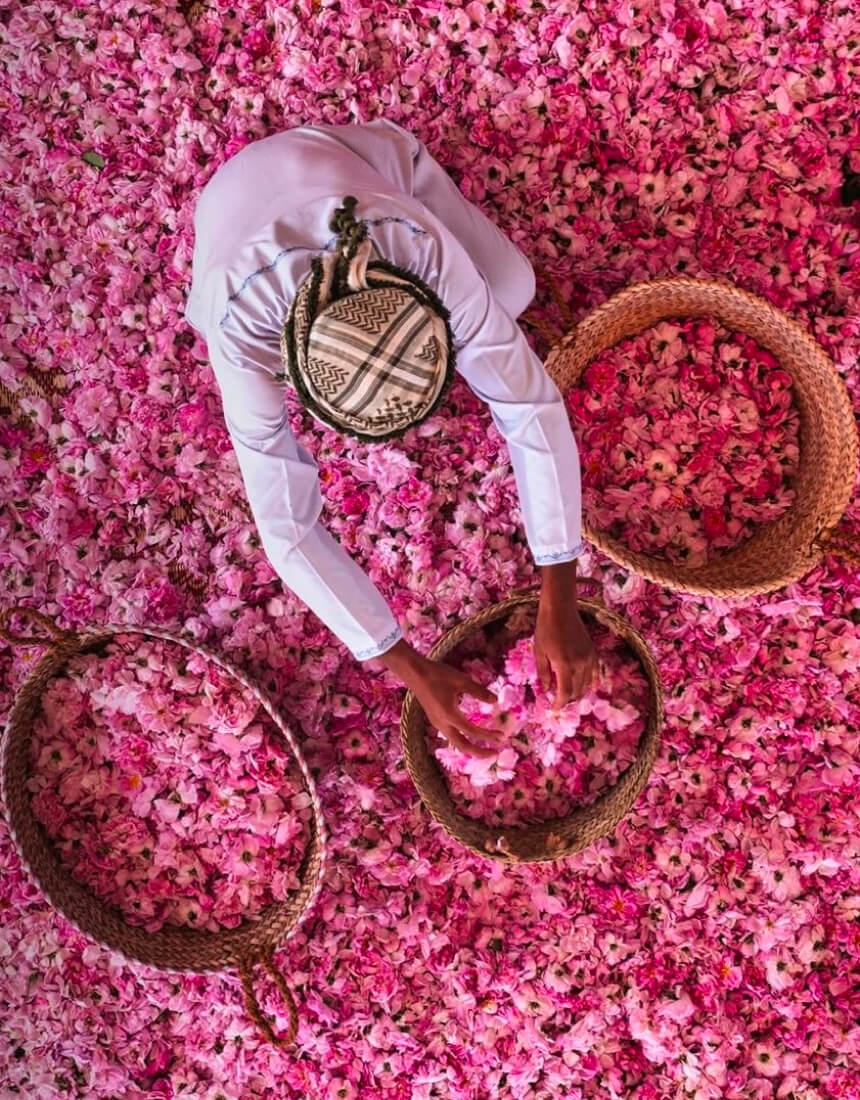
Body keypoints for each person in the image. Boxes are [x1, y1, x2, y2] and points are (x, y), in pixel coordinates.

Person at [185, 118, 596, 758]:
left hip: (348, 160)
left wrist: (559, 595)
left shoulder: (414, 245)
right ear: (293, 365)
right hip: (224, 216)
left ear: (420, 297)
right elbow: (285, 525)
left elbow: (528, 404)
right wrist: (407, 664)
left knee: (513, 289)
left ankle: (413, 164)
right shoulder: (241, 331)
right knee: (503, 301)